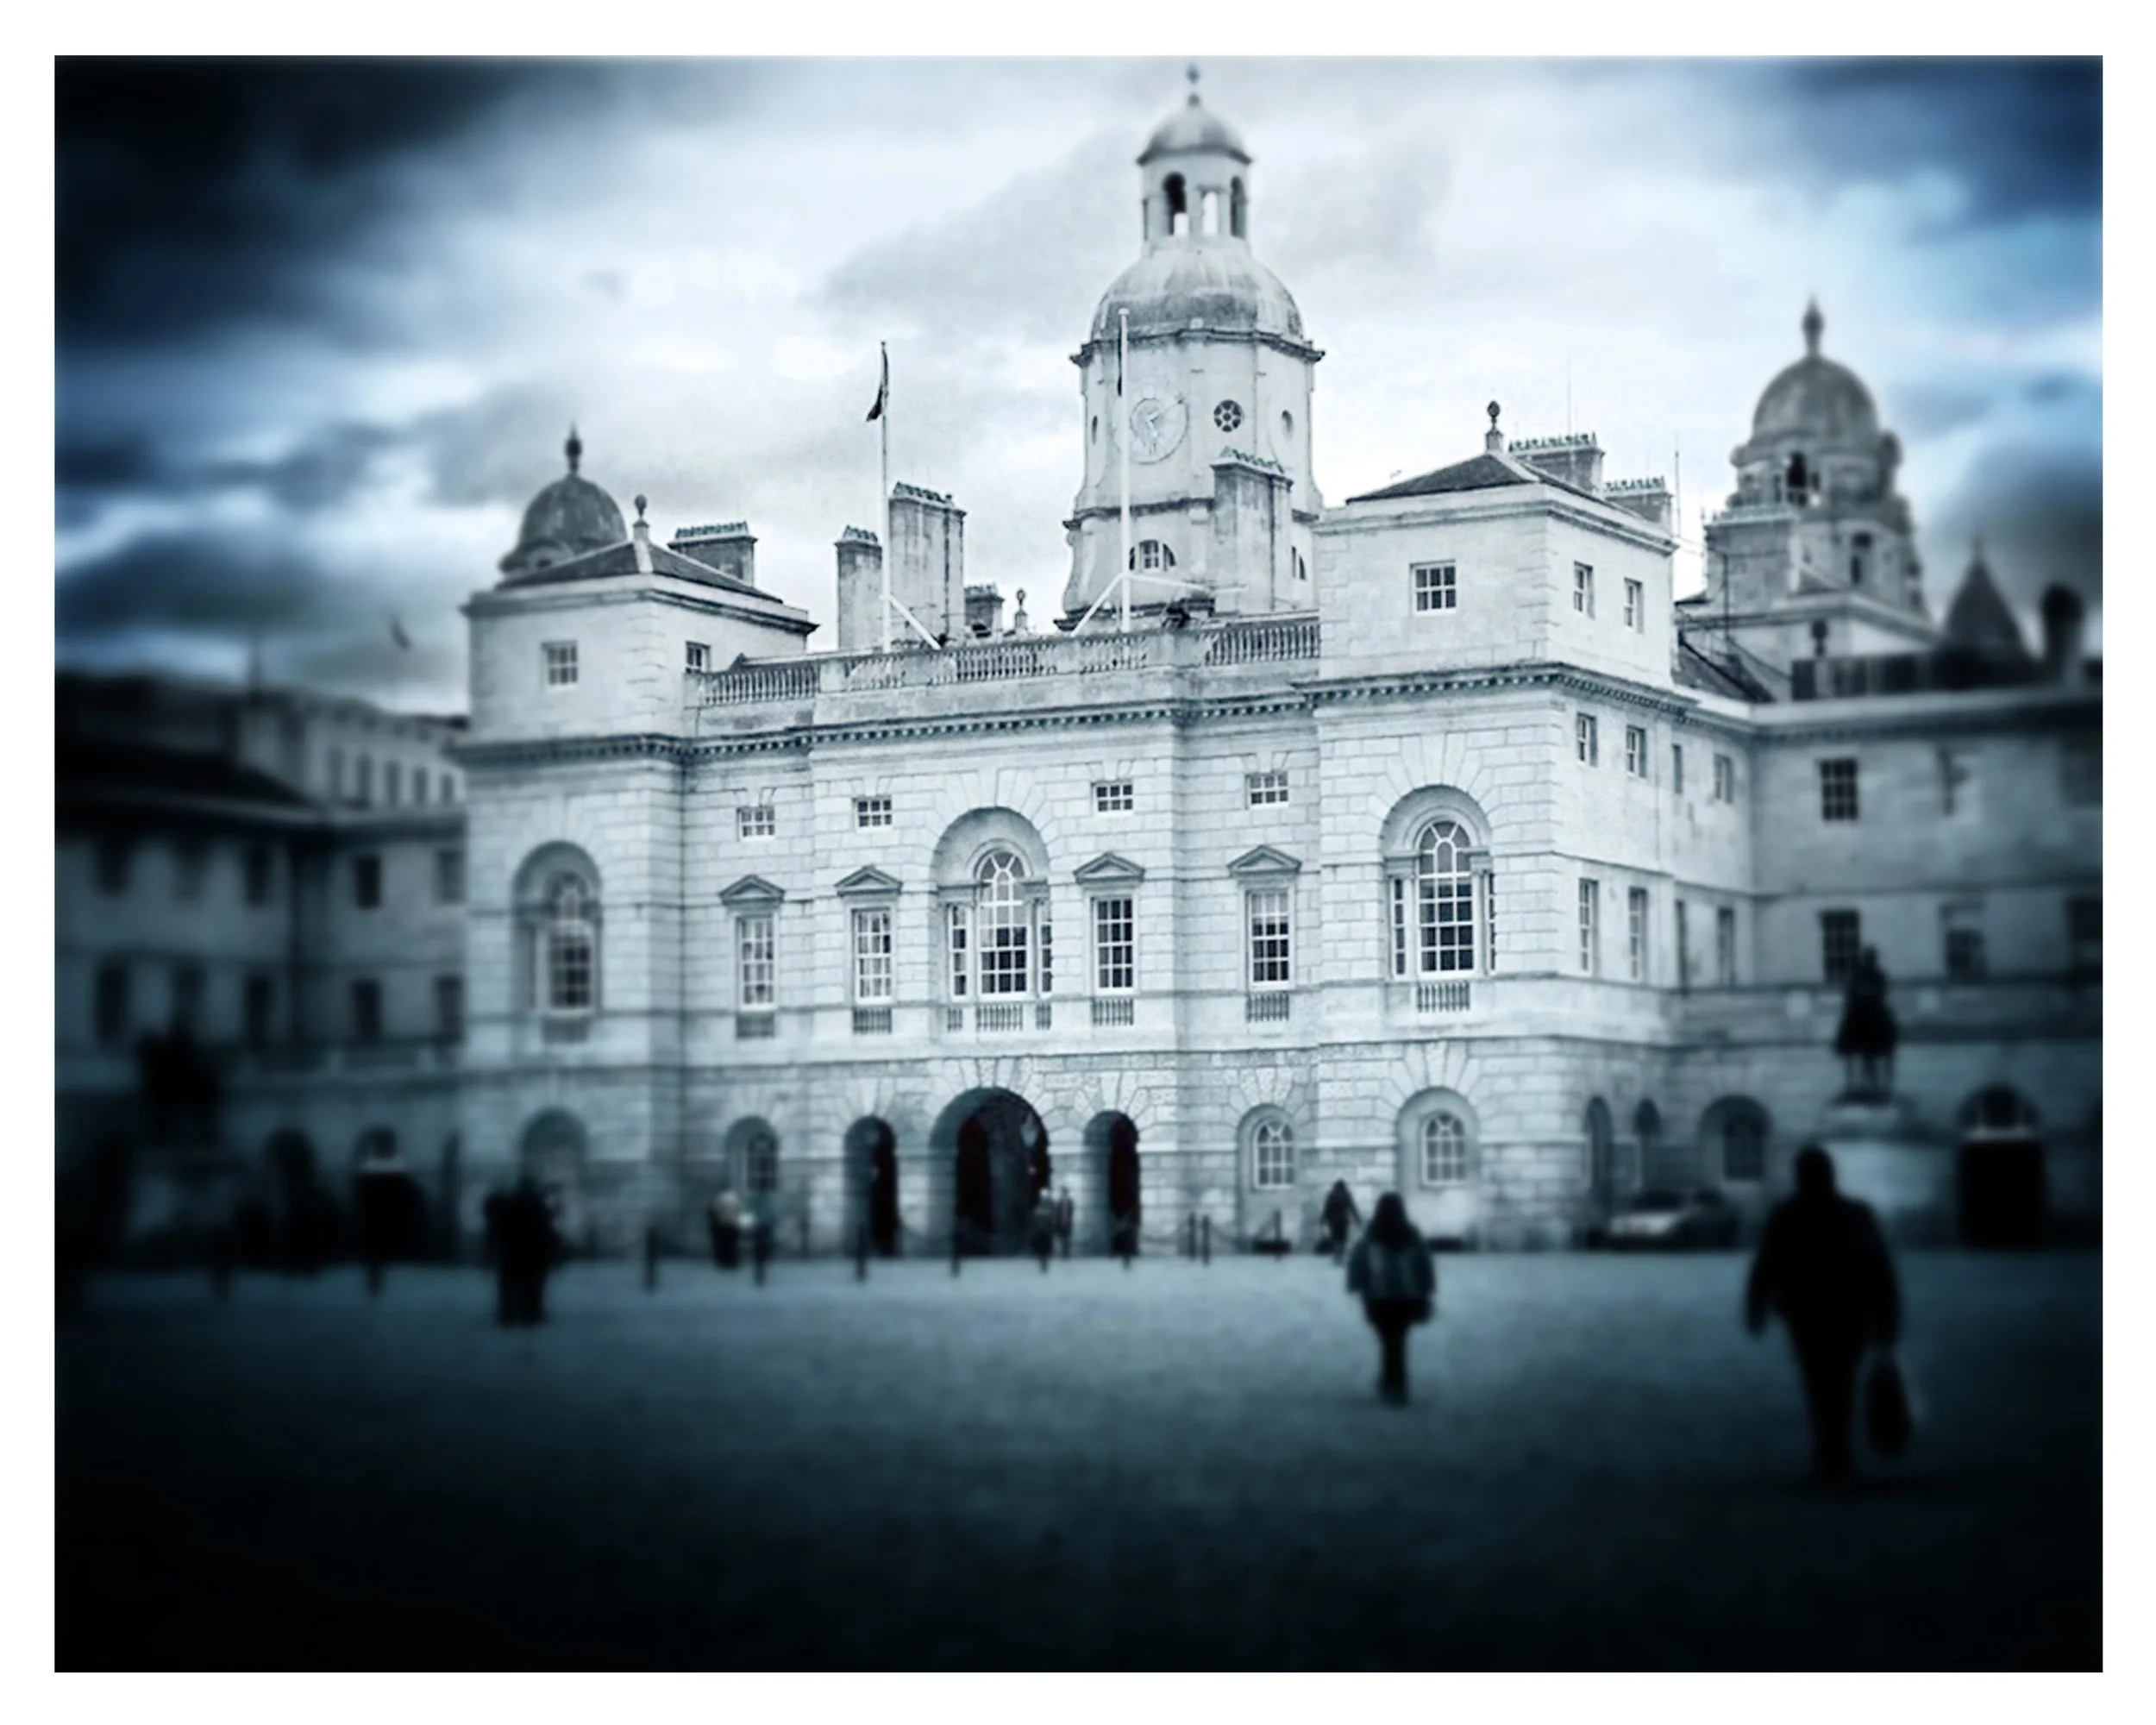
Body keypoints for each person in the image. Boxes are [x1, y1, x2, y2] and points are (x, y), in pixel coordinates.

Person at [1745, 1145, 1902, 1482]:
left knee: (1817, 1382)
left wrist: (1756, 1308)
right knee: (1841, 1381)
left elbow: (1766, 1265)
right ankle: (1836, 1449)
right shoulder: (1856, 1213)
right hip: (1849, 1312)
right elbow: (1880, 1267)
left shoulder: (1786, 1214)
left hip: (1807, 1314)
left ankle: (1828, 1448)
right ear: (1831, 1175)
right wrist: (1888, 1316)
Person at [1345, 1194, 1437, 1406]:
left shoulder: (1371, 1235)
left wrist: (1356, 1285)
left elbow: (1358, 1261)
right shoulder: (1412, 1235)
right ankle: (1396, 1383)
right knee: (1398, 1340)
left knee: (1388, 1340)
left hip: (1379, 1297)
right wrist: (1426, 1289)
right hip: (1408, 1296)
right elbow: (1424, 1264)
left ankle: (1391, 1381)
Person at [1321, 1179, 1363, 1263]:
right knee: (1343, 1238)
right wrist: (1357, 1219)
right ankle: (1341, 1255)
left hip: (1333, 1221)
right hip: (1343, 1220)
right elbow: (1352, 1207)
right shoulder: (1346, 1195)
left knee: (1336, 1238)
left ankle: (1336, 1255)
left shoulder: (1331, 1195)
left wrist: (1323, 1219)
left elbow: (1327, 1209)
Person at [709, 1189, 743, 1270]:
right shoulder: (735, 1198)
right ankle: (732, 1261)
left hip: (722, 1224)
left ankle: (723, 1261)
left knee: (723, 1245)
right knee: (732, 1245)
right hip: (733, 1225)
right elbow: (739, 1210)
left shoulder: (719, 1199)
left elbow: (715, 1210)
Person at [1030, 1191, 1058, 1271]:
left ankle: (1044, 1263)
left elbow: (1053, 1218)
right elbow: (1035, 1217)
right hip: (1041, 1231)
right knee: (1042, 1249)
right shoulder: (1039, 1206)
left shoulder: (1051, 1205)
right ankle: (1043, 1263)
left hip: (1046, 1231)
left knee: (1045, 1249)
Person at [1053, 1185, 1075, 1260]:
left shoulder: (1070, 1202)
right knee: (1062, 1238)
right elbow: (1057, 1213)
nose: (1064, 1194)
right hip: (1060, 1222)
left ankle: (1067, 1253)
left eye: (1065, 1192)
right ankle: (1063, 1253)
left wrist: (1068, 1220)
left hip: (1068, 1222)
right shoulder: (1059, 1202)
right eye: (1063, 1192)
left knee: (1067, 1238)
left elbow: (1071, 1212)